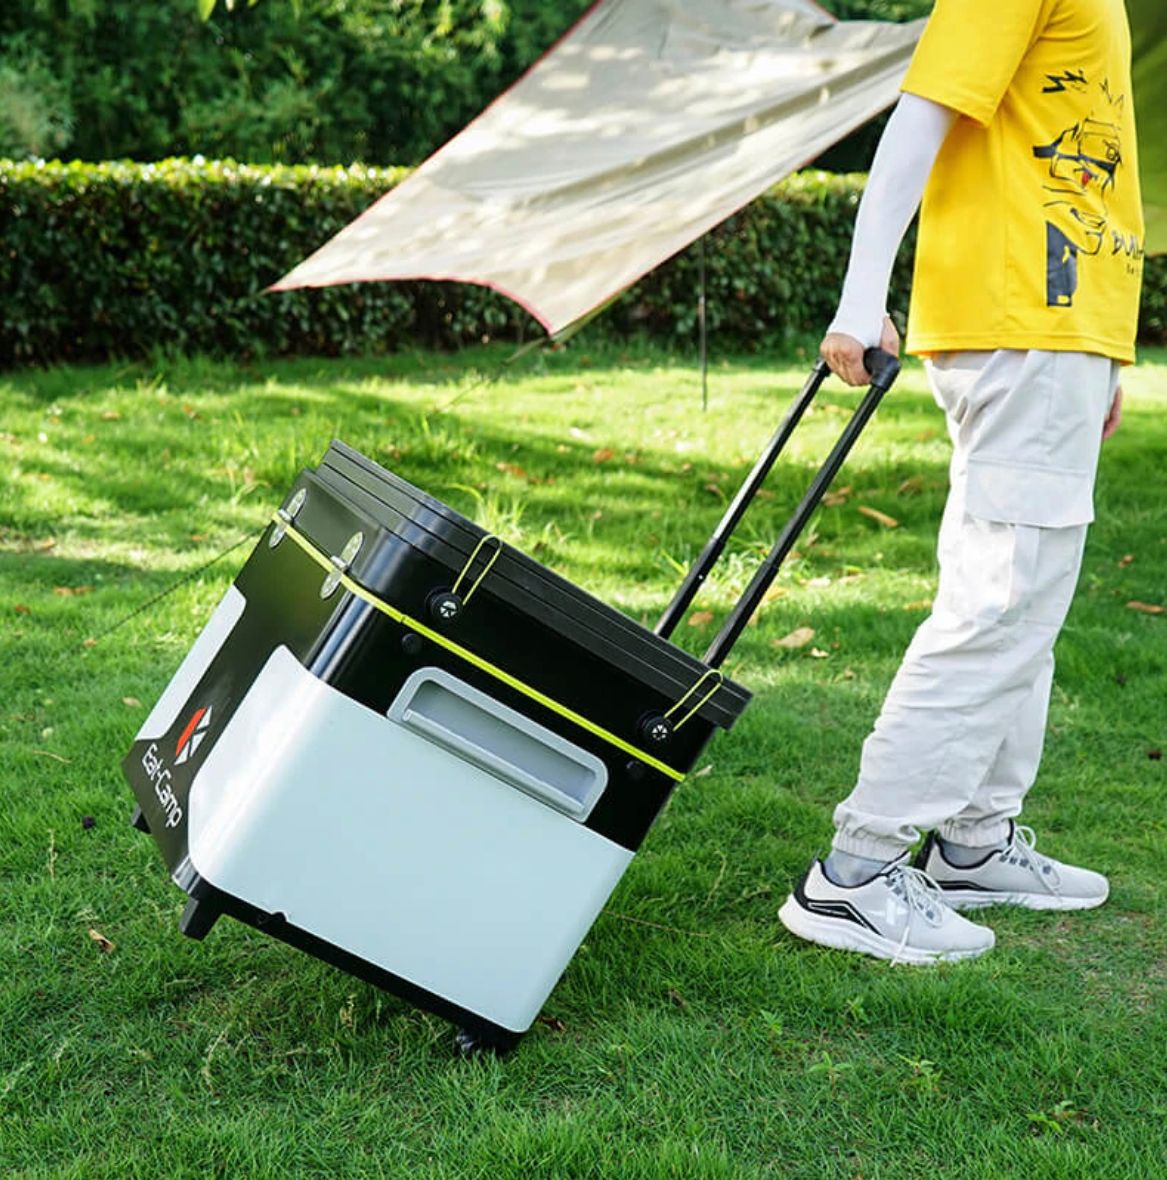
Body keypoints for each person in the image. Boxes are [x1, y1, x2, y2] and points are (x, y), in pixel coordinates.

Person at [778, 0, 1144, 964]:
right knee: (1001, 599)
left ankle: (973, 843)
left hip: (1058, 332)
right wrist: (860, 297)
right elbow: (923, 112)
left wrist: (1102, 352)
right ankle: (855, 873)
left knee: (1025, 603)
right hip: (1022, 324)